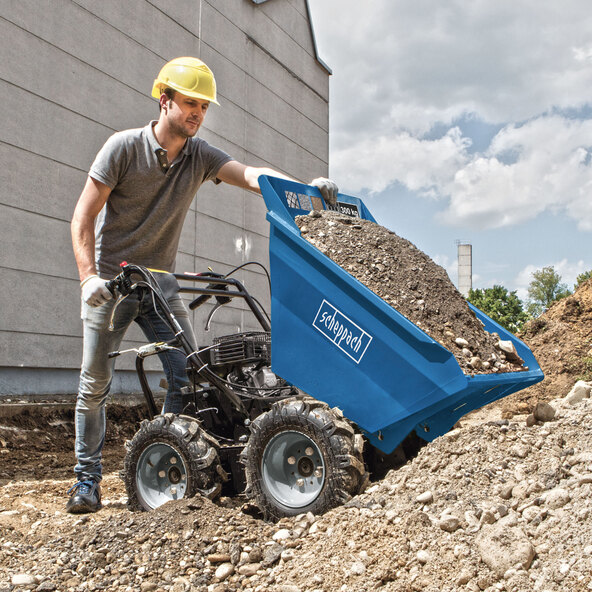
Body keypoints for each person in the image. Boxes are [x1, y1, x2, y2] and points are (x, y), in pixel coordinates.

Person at [67, 57, 338, 513]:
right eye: (190, 103)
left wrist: (307, 189)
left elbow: (251, 176)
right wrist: (87, 277)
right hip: (113, 282)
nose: (197, 113)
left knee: (189, 374)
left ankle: (179, 459)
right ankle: (86, 482)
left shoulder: (199, 155)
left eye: (204, 106)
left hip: (160, 282)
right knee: (94, 383)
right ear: (164, 99)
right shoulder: (122, 148)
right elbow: (83, 216)